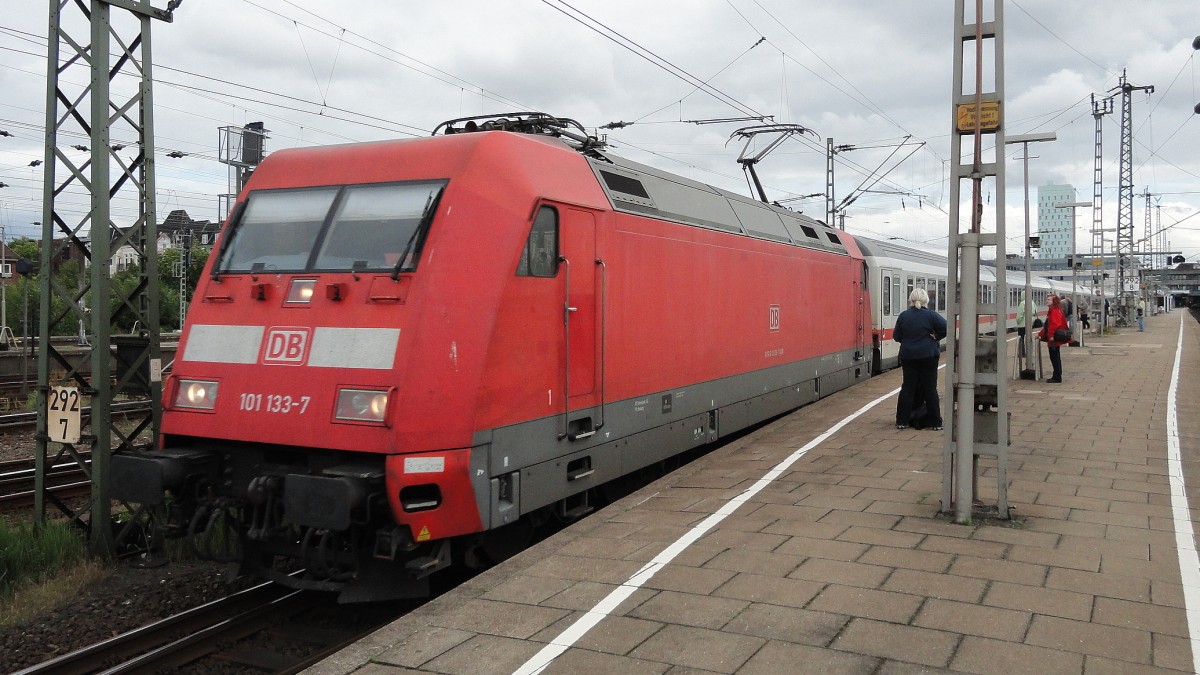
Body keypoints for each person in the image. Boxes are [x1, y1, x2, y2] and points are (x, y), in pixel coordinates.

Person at [894, 287, 948, 430]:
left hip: (908, 356)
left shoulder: (903, 316)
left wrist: (908, 340)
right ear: (926, 301)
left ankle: (902, 421)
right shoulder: (931, 315)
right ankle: (936, 422)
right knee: (930, 388)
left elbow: (896, 336)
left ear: (911, 300)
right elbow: (947, 327)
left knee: (907, 387)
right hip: (928, 356)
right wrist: (936, 337)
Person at [1037, 293, 1069, 383]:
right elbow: (1047, 325)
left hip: (1054, 338)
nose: (1047, 300)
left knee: (1054, 357)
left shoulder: (1054, 311)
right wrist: (1040, 334)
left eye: (1049, 300)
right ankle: (1057, 375)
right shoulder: (1053, 310)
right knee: (1055, 357)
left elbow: (1053, 325)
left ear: (1054, 301)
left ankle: (1057, 377)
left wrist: (1050, 336)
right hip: (1053, 338)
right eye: (1047, 299)